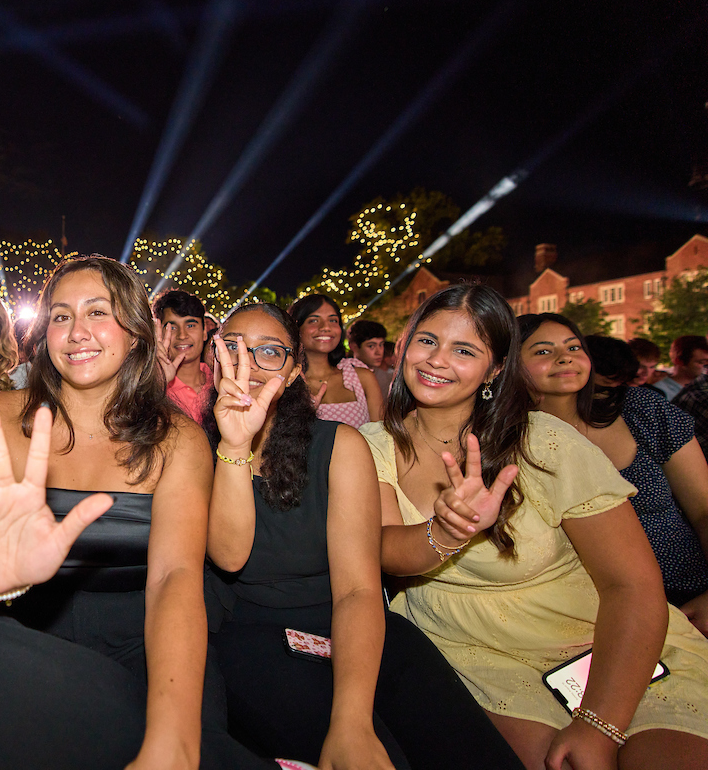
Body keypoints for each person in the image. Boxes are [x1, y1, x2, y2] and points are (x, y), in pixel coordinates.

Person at [0, 256, 271, 770]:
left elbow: (175, 580)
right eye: (61, 316)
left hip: (147, 655)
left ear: (135, 333)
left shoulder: (178, 439)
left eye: (97, 313)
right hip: (18, 644)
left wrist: (172, 735)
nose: (77, 332)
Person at [363, 284, 708, 769]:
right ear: (405, 346)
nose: (438, 360)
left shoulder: (543, 442)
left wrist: (599, 724)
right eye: (427, 340)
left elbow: (631, 585)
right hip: (475, 651)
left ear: (497, 368)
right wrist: (446, 532)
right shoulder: (371, 444)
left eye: (464, 350)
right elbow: (382, 548)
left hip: (606, 638)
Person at [202, 303, 521, 769]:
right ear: (213, 358)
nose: (245, 364)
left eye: (268, 352)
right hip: (255, 640)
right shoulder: (190, 450)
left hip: (359, 624)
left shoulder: (338, 445)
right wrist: (234, 445)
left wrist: (352, 719)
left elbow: (357, 588)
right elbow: (230, 558)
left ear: (293, 371)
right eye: (231, 347)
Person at [519, 314, 708, 631]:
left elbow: (704, 507)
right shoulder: (507, 444)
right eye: (542, 351)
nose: (564, 356)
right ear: (506, 367)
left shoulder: (642, 409)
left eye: (573, 347)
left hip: (691, 594)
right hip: (594, 616)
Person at [289, 294, 382, 426]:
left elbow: (382, 440)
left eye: (333, 321)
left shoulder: (362, 378)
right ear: (297, 329)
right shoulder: (287, 383)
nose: (325, 327)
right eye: (314, 321)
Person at [154, 288, 212, 423]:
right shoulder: (149, 388)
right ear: (159, 334)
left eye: (190, 325)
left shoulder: (220, 382)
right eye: (172, 328)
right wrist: (155, 386)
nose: (182, 335)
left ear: (204, 332)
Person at [653, 335, 708, 400]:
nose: (706, 366)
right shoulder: (659, 393)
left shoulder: (703, 387)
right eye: (702, 362)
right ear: (679, 361)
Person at [348, 318, 391, 400]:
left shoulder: (388, 379)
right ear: (354, 346)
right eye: (371, 346)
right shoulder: (343, 377)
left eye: (381, 345)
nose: (378, 352)